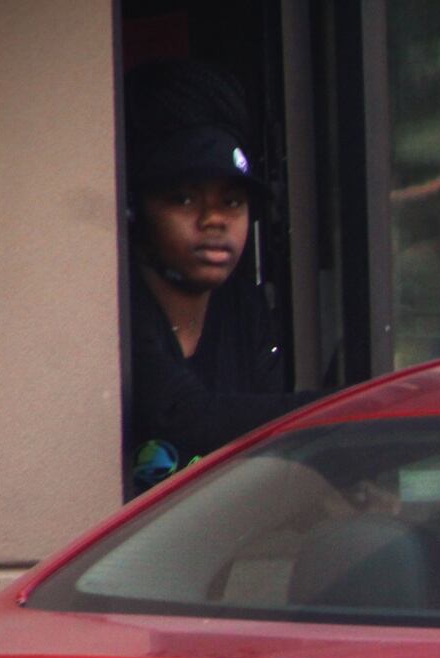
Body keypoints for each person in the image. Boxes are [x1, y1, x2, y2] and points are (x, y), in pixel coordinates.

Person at [123, 59, 325, 491]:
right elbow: (184, 416)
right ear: (137, 211)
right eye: (183, 198)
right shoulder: (118, 307)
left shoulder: (244, 307)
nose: (213, 219)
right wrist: (345, 409)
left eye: (232, 202)